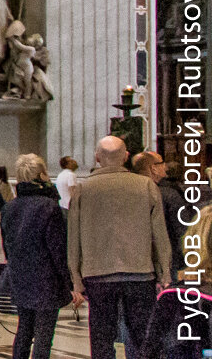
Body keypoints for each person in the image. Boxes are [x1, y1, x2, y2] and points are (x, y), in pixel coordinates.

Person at [68, 135, 170, 359]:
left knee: (102, 338)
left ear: (97, 157)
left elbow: (73, 239)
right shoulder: (146, 186)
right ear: (126, 157)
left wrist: (76, 278)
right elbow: (159, 235)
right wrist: (165, 273)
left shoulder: (82, 191)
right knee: (143, 337)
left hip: (98, 275)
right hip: (140, 273)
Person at [1, 153, 73, 359]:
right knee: (43, 335)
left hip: (20, 276)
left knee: (24, 330)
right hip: (46, 279)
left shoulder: (9, 207)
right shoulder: (49, 207)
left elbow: (7, 246)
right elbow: (57, 249)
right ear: (42, 175)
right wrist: (69, 282)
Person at [133, 150, 186, 280]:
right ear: (154, 169)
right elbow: (182, 230)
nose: (165, 166)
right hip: (169, 260)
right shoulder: (169, 194)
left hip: (138, 262)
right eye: (162, 163)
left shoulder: (130, 193)